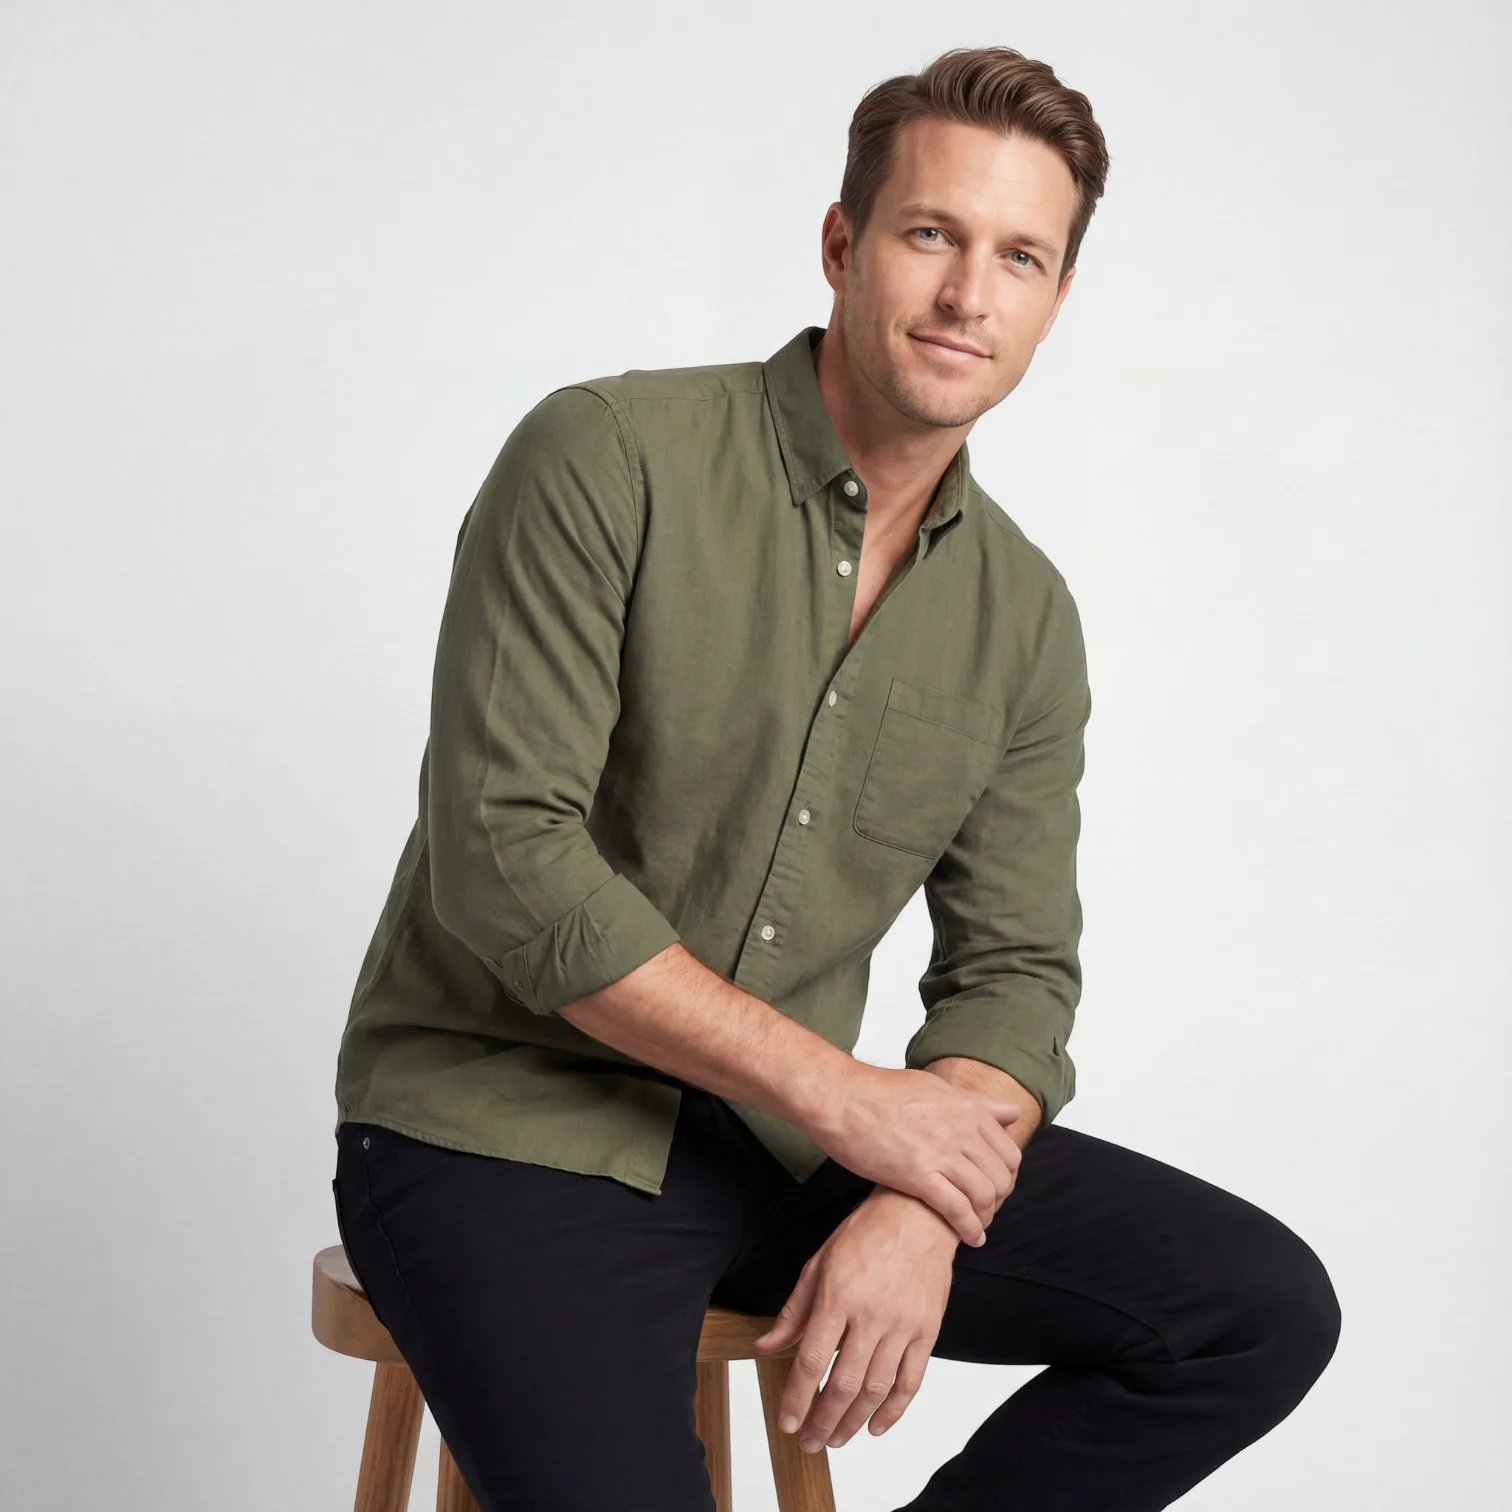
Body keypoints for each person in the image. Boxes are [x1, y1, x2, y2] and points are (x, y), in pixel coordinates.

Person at [330, 43, 1341, 1512]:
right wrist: (852, 1106)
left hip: (775, 1161)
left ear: (1058, 298)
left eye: (1020, 257)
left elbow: (1013, 976)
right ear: (841, 243)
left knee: (1250, 1310)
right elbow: (508, 855)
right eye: (932, 233)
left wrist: (924, 1198)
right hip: (506, 1134)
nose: (968, 294)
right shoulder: (608, 456)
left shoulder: (1025, 618)